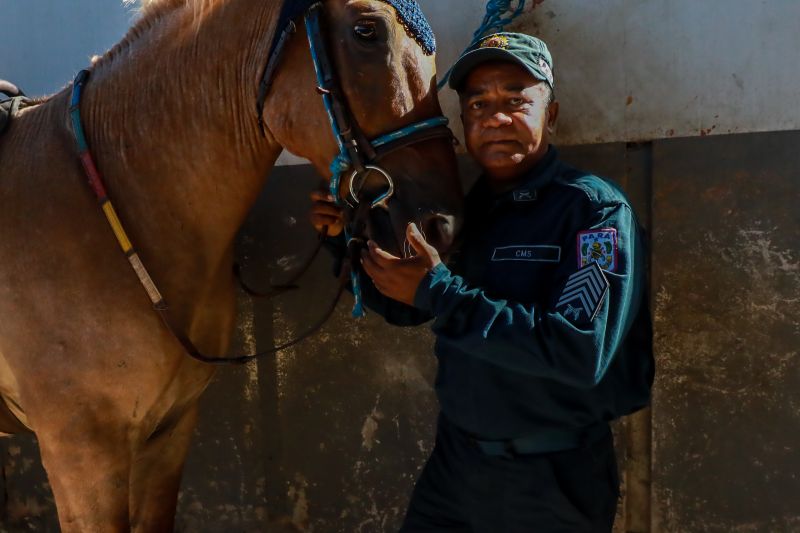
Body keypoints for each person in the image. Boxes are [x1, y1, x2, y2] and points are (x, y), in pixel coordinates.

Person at [310, 32, 654, 532]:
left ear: (550, 114)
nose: (495, 118)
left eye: (516, 101)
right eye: (478, 104)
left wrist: (438, 290)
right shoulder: (468, 211)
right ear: (464, 123)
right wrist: (342, 241)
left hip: (549, 482)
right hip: (455, 471)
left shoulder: (593, 212)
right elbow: (412, 308)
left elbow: (580, 349)